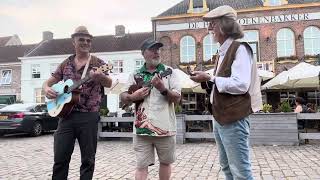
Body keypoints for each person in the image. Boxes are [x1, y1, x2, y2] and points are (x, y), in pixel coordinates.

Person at [190, 5, 262, 180]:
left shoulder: (240, 48)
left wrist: (210, 78)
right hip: (221, 117)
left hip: (233, 119)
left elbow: (241, 85)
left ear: (224, 26)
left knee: (240, 171)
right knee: (227, 167)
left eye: (212, 24)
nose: (209, 29)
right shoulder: (223, 51)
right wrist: (207, 80)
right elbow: (223, 84)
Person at [43, 26, 112, 180]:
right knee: (60, 158)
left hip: (89, 116)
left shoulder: (98, 62)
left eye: (88, 40)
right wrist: (46, 88)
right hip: (66, 116)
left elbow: (109, 83)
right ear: (73, 42)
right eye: (81, 39)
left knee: (88, 160)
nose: (85, 42)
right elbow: (49, 81)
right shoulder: (66, 63)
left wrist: (99, 77)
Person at [120, 38, 181, 180]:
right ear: (143, 53)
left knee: (165, 163)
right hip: (141, 129)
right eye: (152, 50)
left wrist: (163, 89)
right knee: (141, 166)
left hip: (165, 128)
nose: (156, 52)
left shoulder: (169, 72)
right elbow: (123, 96)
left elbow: (177, 98)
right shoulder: (134, 74)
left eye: (158, 49)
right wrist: (132, 97)